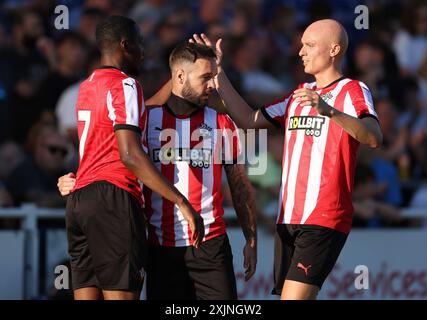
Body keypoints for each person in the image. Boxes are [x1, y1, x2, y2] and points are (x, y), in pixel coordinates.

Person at [192, 19, 383, 300]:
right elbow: (248, 119)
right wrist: (218, 73)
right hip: (288, 217)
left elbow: (373, 137)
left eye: (309, 45)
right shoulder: (297, 95)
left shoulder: (352, 90)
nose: (300, 52)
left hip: (323, 216)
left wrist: (330, 112)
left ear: (334, 49)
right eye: (301, 45)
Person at [59, 42, 257, 300]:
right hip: (160, 248)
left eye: (214, 78)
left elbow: (239, 185)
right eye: (206, 78)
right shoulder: (146, 119)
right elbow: (111, 154)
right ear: (180, 76)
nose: (212, 85)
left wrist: (250, 239)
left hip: (211, 246)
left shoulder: (222, 123)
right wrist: (77, 179)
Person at [62, 15, 203, 301]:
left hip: (80, 200)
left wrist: (180, 77)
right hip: (114, 199)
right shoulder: (126, 84)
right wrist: (181, 201)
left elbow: (138, 110)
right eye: (139, 44)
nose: (144, 50)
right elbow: (129, 155)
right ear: (124, 45)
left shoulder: (87, 86)